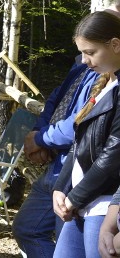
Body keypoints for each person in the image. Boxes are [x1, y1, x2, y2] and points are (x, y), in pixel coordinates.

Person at [12, 57, 97, 257]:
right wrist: (38, 134)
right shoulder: (81, 63)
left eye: (88, 51)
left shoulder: (108, 73)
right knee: (26, 228)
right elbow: (56, 99)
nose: (83, 58)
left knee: (67, 246)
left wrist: (42, 139)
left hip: (77, 170)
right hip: (57, 164)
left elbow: (80, 122)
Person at [52, 11, 120, 257]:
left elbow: (114, 155)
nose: (84, 60)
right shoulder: (103, 83)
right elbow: (79, 140)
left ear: (115, 45)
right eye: (82, 52)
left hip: (105, 206)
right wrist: (61, 186)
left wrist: (74, 198)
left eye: (90, 53)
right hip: (80, 203)